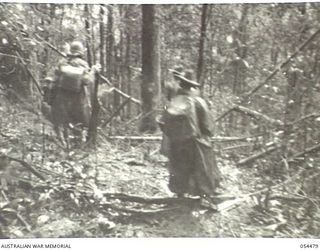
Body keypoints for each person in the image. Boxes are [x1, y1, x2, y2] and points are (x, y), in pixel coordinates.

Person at [158, 69, 221, 201]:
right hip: (194, 141)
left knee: (180, 166)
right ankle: (204, 194)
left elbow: (164, 122)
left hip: (178, 142)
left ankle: (180, 193)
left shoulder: (176, 101)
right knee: (201, 167)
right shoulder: (198, 101)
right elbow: (208, 127)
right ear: (193, 88)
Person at [48, 41, 99, 145]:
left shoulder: (62, 63)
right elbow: (86, 81)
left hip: (61, 96)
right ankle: (79, 143)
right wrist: (93, 70)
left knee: (61, 122)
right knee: (79, 121)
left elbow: (55, 80)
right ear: (81, 52)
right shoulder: (83, 64)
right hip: (78, 97)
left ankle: (62, 143)